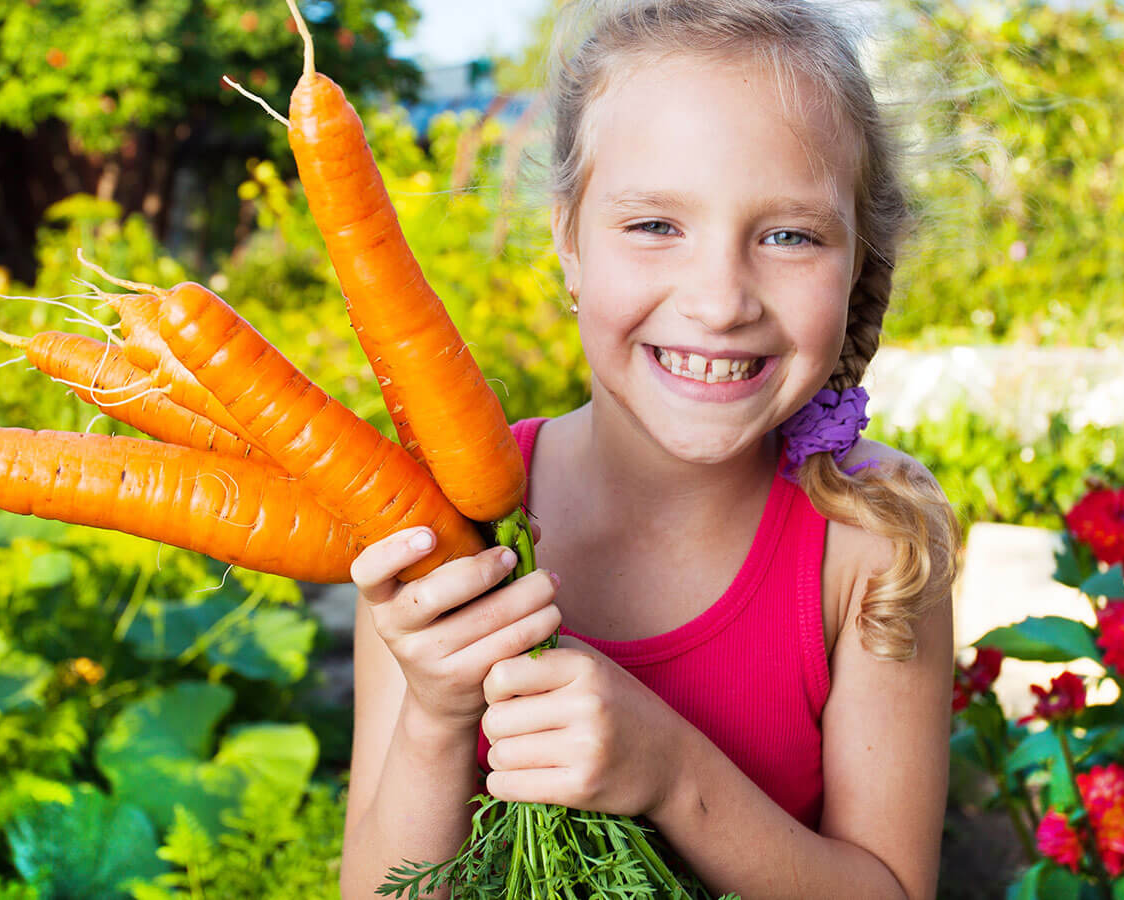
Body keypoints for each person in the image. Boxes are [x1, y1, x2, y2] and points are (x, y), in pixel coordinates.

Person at [340, 1, 961, 896]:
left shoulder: (872, 535)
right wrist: (440, 714)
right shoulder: (443, 531)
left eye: (789, 235)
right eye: (655, 226)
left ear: (859, 261)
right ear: (569, 243)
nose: (719, 300)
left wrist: (675, 777)